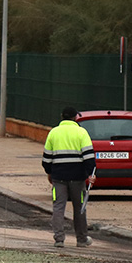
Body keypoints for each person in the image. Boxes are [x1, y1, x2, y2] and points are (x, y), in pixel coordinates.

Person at [42, 106, 97, 248]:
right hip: (78, 178)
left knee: (58, 207)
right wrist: (91, 173)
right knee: (79, 208)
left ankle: (59, 239)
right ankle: (81, 239)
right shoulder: (81, 132)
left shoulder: (53, 133)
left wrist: (50, 172)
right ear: (76, 117)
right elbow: (89, 157)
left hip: (58, 177)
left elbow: (46, 159)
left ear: (62, 117)